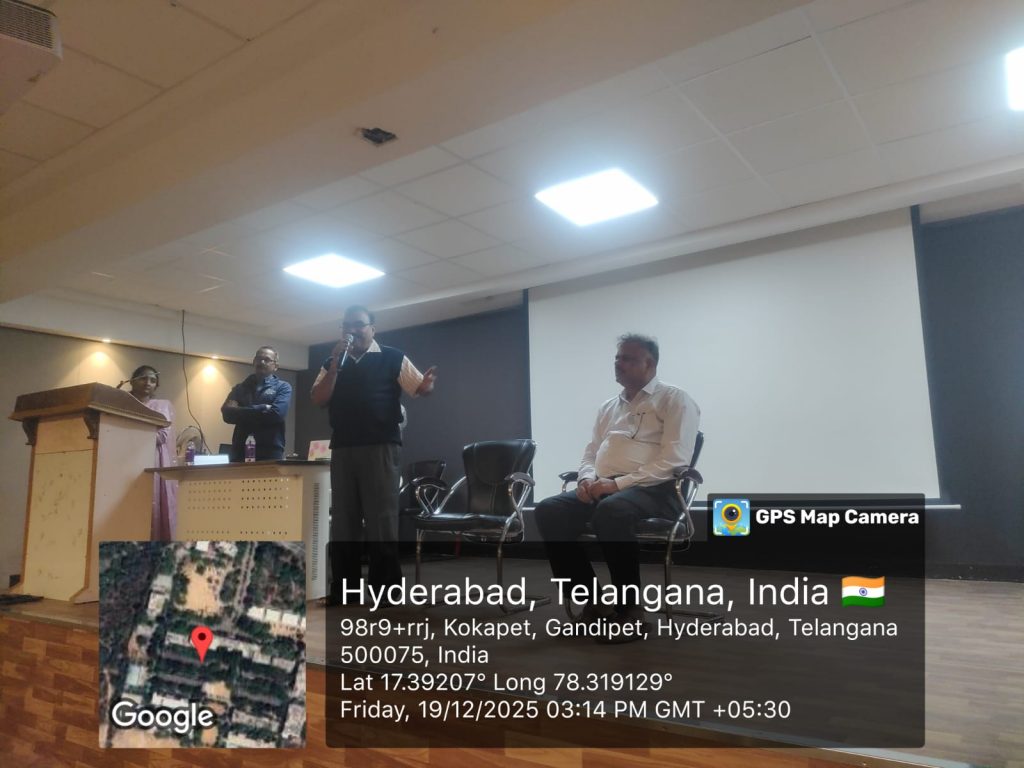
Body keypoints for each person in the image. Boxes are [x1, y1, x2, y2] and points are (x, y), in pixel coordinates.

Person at [534, 334, 700, 642]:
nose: (619, 364)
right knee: (548, 510)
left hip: (656, 489)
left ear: (650, 364)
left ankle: (630, 612)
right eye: (617, 358)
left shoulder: (674, 399)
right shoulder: (609, 406)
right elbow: (591, 452)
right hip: (605, 486)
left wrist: (618, 484)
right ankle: (593, 602)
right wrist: (586, 479)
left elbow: (674, 461)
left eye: (628, 359)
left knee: (612, 510)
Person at [311, 305, 437, 602]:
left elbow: (418, 387)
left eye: (359, 325)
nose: (352, 330)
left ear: (373, 328)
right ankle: (345, 590)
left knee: (381, 519)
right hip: (343, 447)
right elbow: (318, 398)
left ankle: (386, 589)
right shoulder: (332, 361)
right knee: (344, 520)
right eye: (347, 326)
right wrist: (334, 367)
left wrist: (427, 387)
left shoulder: (393, 357)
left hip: (381, 446)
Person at [126, 365, 178, 541]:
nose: (148, 383)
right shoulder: (119, 402)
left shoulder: (161, 406)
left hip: (153, 458)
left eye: (153, 380)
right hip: (122, 459)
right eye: (143, 378)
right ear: (132, 380)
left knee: (151, 505)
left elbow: (162, 436)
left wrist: (130, 435)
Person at [221, 346, 293, 462]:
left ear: (276, 366)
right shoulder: (240, 388)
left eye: (267, 359)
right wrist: (262, 408)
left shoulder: (283, 387)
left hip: (269, 451)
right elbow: (227, 414)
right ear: (254, 362)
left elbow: (277, 414)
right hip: (240, 449)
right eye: (258, 359)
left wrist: (240, 411)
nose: (262, 362)